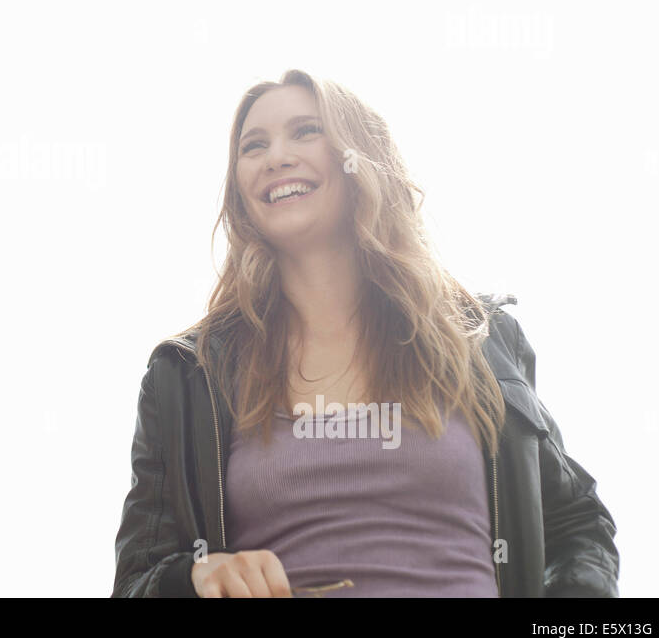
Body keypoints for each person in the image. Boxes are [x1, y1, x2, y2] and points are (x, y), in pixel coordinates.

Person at [110, 69, 619, 598]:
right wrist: (193, 579)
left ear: (360, 154)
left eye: (306, 131)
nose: (275, 156)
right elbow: (136, 581)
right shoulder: (189, 374)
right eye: (252, 145)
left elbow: (576, 528)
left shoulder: (479, 340)